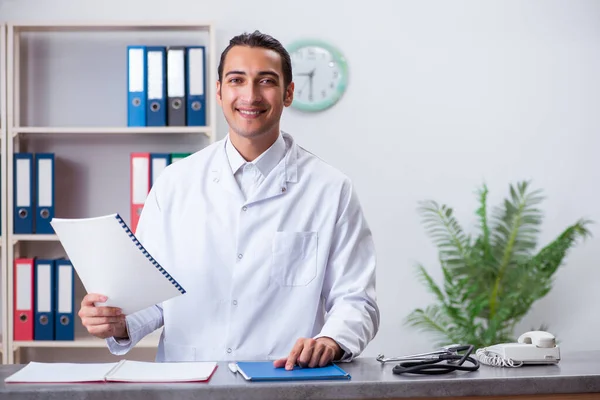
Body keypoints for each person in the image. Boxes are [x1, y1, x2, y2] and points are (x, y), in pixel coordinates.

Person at [78, 30, 380, 370]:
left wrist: (331, 340)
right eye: (237, 80)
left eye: (266, 81)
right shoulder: (174, 184)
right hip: (189, 381)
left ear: (289, 93)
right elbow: (154, 295)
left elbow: (356, 299)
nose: (250, 95)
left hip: (287, 382)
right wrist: (119, 323)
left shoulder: (330, 189)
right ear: (219, 91)